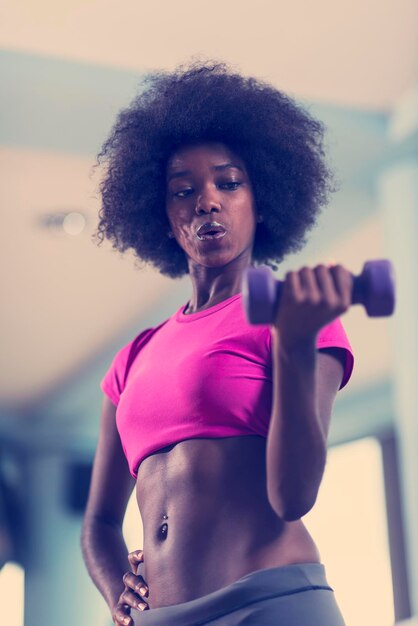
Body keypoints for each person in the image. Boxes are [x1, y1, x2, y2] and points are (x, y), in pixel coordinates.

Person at [81, 59, 355, 625]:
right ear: (164, 215)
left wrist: (295, 346)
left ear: (262, 201)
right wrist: (117, 593)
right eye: (184, 191)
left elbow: (293, 497)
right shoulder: (133, 356)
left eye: (228, 183)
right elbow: (100, 524)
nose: (207, 201)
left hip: (271, 602)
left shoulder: (294, 317)